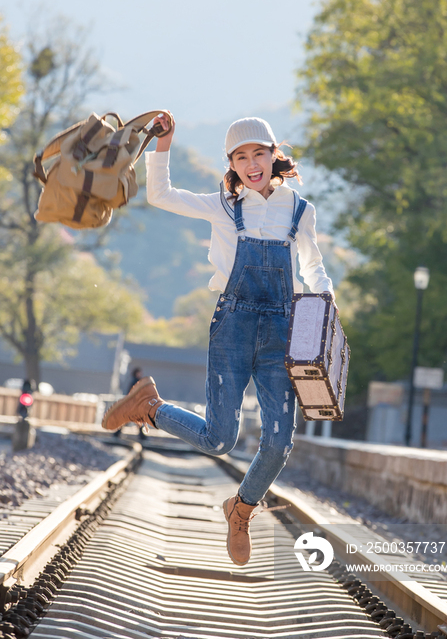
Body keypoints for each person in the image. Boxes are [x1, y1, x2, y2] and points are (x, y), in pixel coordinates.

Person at [102, 114, 335, 565]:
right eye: (241, 157)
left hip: (282, 332)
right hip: (233, 325)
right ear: (232, 163)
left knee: (280, 441)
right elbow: (161, 195)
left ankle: (240, 509)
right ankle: (150, 407)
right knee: (218, 440)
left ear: (274, 155)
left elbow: (314, 269)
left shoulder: (300, 211)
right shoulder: (225, 206)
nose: (252, 164)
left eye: (259, 154)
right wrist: (164, 145)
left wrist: (325, 304)